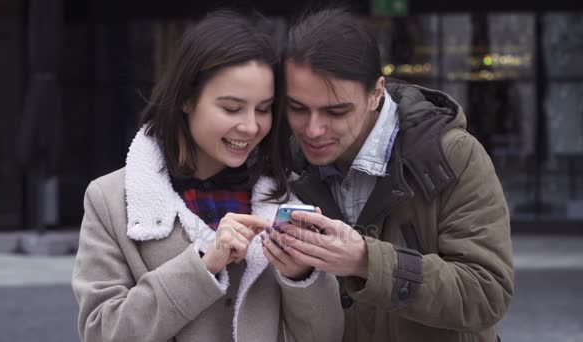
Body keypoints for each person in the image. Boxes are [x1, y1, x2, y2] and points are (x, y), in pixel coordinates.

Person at [71, 10, 343, 342]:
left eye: (263, 109)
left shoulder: (287, 195)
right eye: (231, 108)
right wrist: (203, 263)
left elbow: (326, 335)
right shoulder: (110, 199)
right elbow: (101, 332)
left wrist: (302, 274)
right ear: (186, 98)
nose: (250, 126)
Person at [270, 8, 515, 342]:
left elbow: (486, 293)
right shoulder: (284, 168)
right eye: (297, 108)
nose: (312, 129)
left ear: (376, 93)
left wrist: (366, 261)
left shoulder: (455, 156)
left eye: (336, 111)